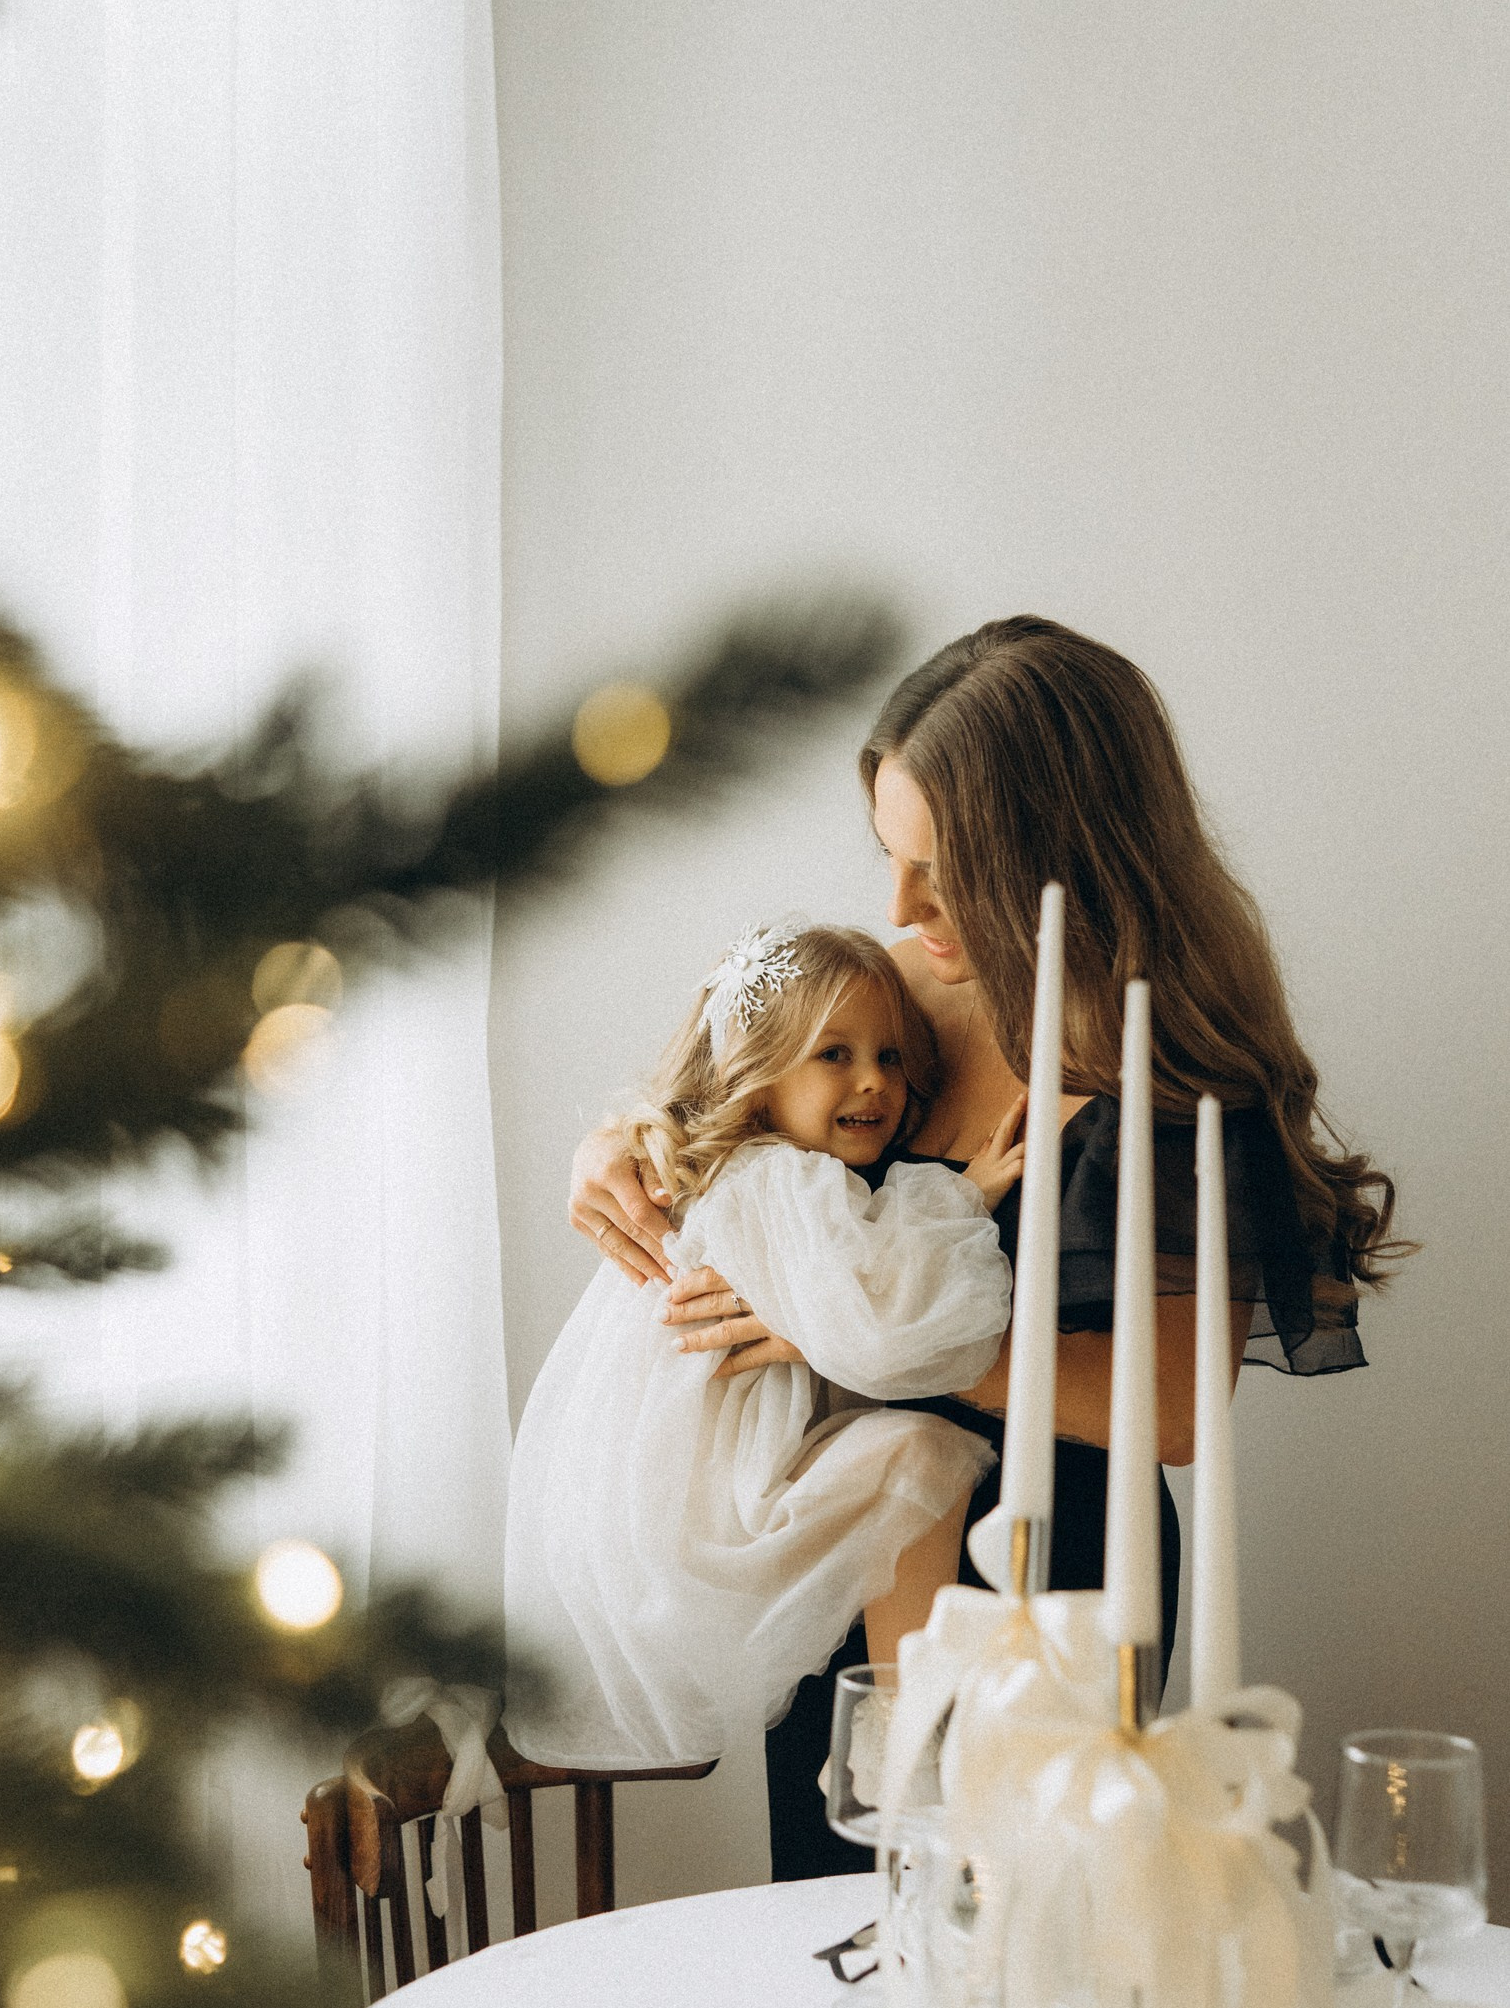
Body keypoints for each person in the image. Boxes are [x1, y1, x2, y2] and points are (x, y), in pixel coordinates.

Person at [570, 617, 1403, 1876]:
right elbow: (717, 1104)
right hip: (835, 1549)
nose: (901, 907)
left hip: (1056, 1588)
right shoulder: (878, 995)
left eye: (942, 871)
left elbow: (1178, 1410)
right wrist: (610, 1148)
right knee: (836, 1932)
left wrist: (866, 1338)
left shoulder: (1167, 1067)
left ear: (1060, 856)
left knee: (1021, 1944)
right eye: (889, 856)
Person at [502, 924, 1017, 1771]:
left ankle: (906, 1728)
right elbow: (882, 1330)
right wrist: (964, 1198)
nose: (873, 1081)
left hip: (672, 1513)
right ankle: (907, 1739)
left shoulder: (737, 1174)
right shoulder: (782, 1180)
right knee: (919, 1457)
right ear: (754, 1080)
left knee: (908, 1458)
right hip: (720, 1517)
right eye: (834, 1055)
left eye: (890, 1057)